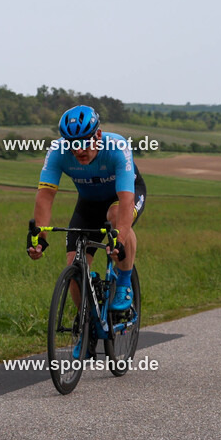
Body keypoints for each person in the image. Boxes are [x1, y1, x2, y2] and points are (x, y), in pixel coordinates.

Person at [27, 105, 146, 327]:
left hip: (125, 196)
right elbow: (45, 197)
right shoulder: (57, 152)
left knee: (114, 214)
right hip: (89, 203)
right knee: (75, 265)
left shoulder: (117, 147)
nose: (79, 150)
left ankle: (123, 283)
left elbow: (126, 200)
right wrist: (40, 238)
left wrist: (119, 240)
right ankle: (88, 325)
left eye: (84, 142)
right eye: (72, 144)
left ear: (98, 135)